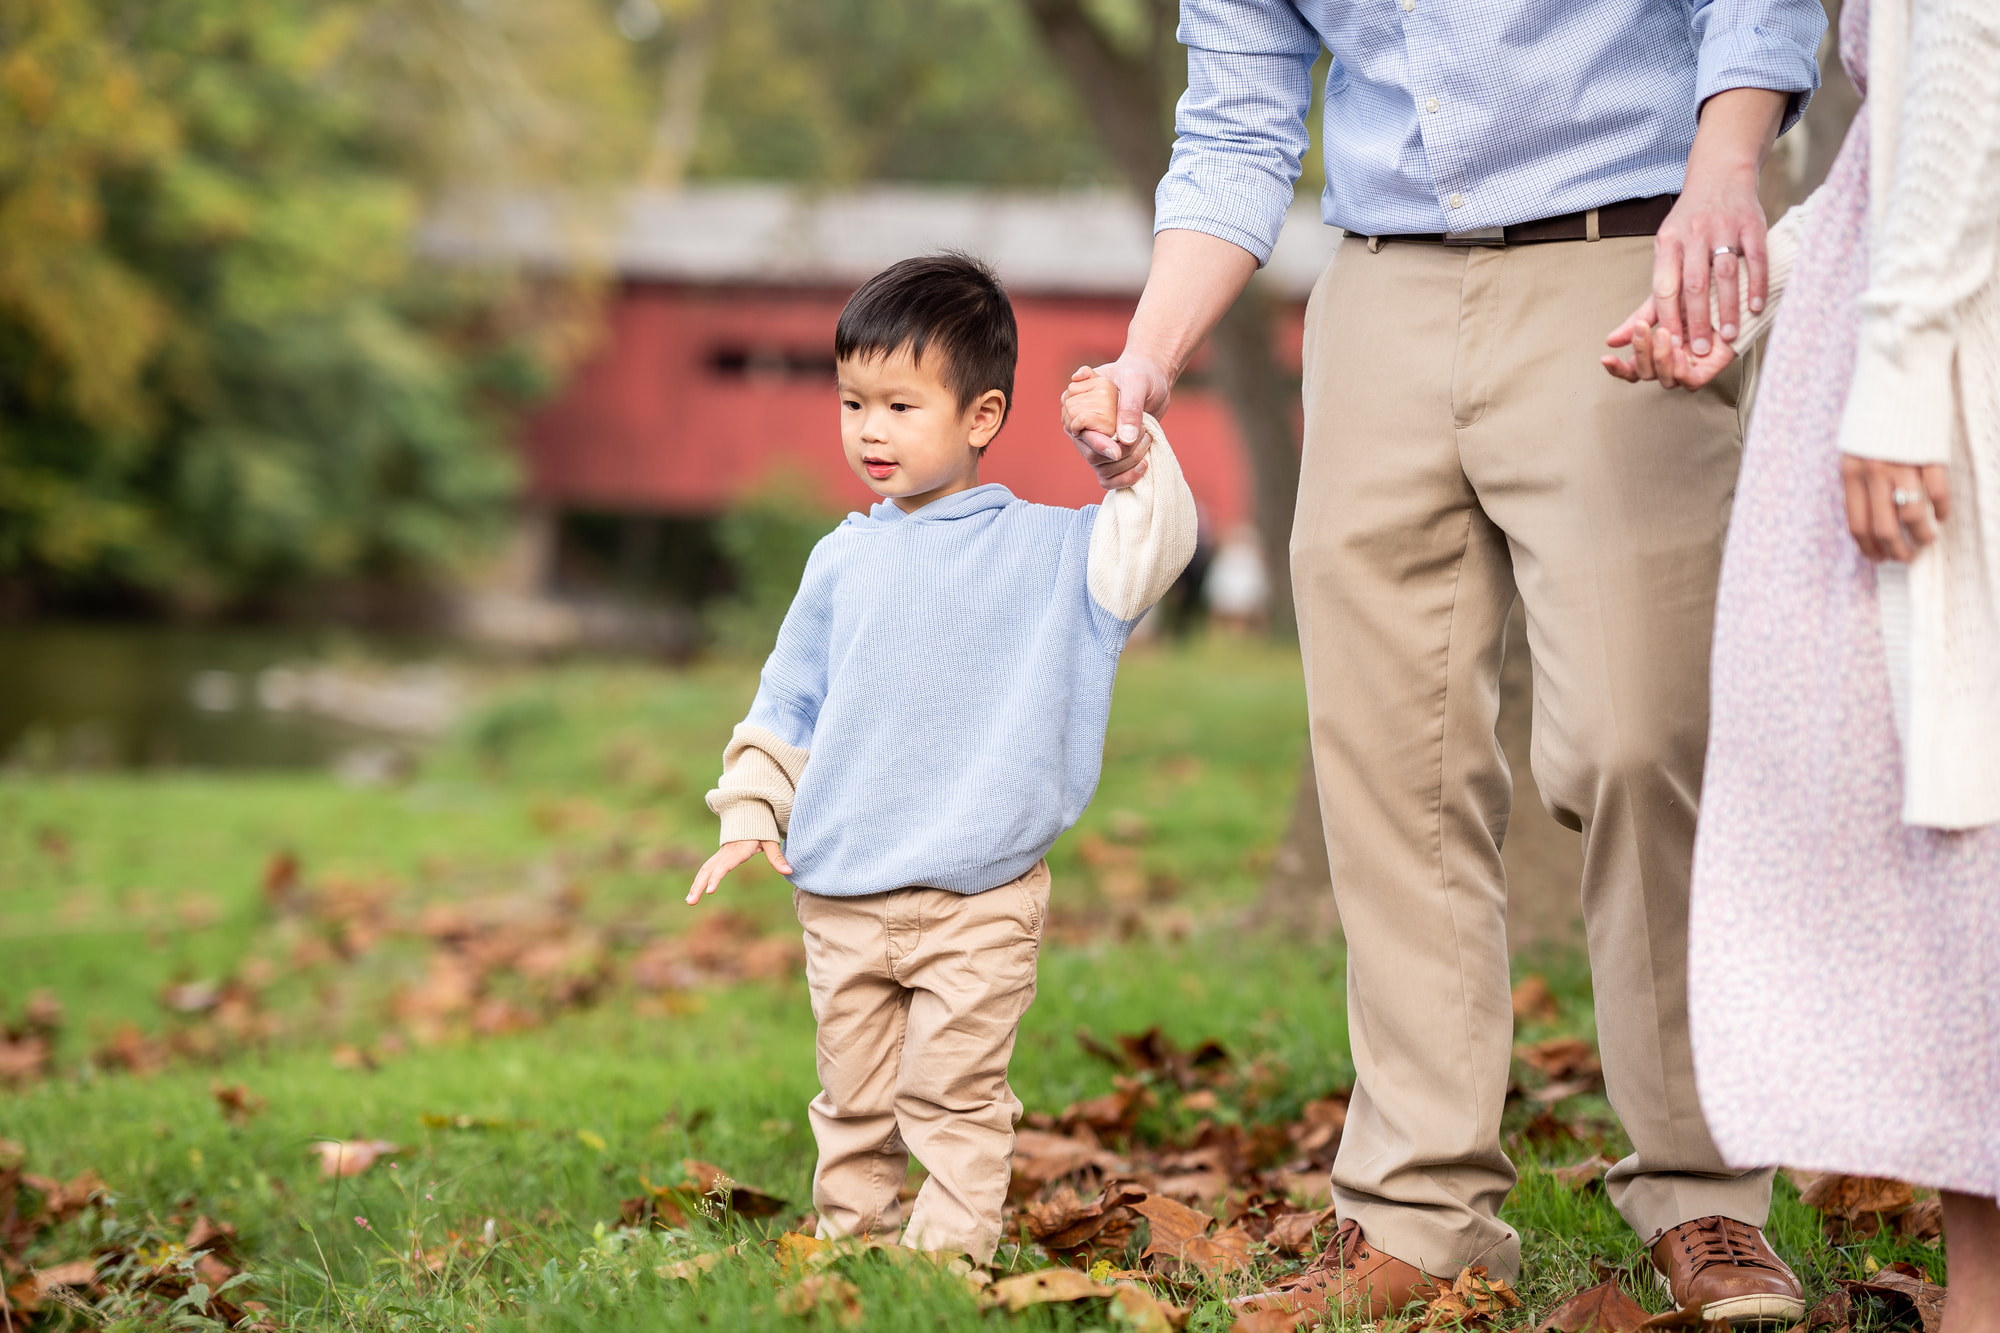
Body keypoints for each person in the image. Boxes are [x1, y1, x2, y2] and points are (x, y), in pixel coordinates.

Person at [1059, 0, 1828, 1322]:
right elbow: (1236, 123)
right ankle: (1417, 1208)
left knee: (1642, 737)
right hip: (1381, 287)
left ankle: (1703, 1187)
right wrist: (1146, 358)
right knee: (1388, 756)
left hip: (1625, 248)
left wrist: (1724, 173)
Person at [1604, 0, 2000, 1323]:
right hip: (1913, 305)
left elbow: (1971, 64)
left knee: (1972, 844)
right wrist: (1759, 282)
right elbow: (1900, 147)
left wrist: (1898, 374)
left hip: (1950, 353)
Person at [684, 253, 1196, 1265]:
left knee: (954, 1095)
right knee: (854, 1099)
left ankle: (945, 1269)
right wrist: (749, 808)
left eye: (899, 406)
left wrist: (1127, 454)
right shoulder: (841, 559)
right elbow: (789, 703)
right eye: (852, 403)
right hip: (842, 892)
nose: (868, 430)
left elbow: (1156, 541)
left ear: (980, 415)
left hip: (980, 893)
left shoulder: (1054, 552)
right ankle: (853, 1254)